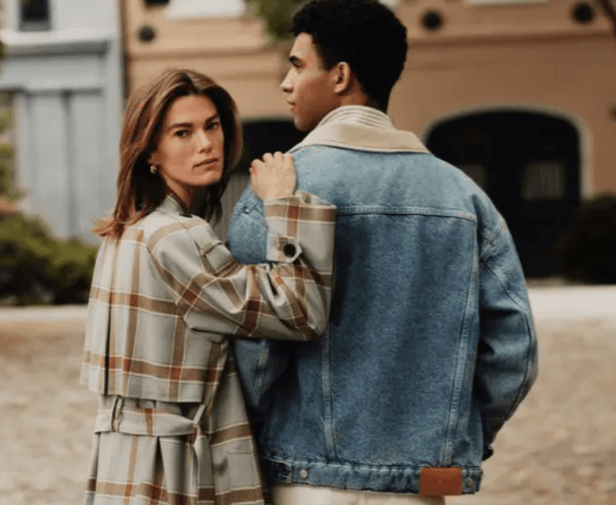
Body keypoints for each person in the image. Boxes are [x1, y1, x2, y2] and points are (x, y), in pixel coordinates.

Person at [226, 0, 538, 503]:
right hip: (424, 482)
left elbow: (255, 348)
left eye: (298, 66)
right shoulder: (464, 197)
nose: (286, 83)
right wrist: (448, 441)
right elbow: (514, 352)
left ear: (341, 75)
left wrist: (260, 436)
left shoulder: (275, 189)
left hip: (307, 481)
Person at [80, 68, 337, 505]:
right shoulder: (177, 237)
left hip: (123, 466)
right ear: (150, 151)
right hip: (173, 470)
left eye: (212, 126)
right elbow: (300, 312)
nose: (206, 144)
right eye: (183, 133)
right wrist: (282, 204)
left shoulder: (124, 233)